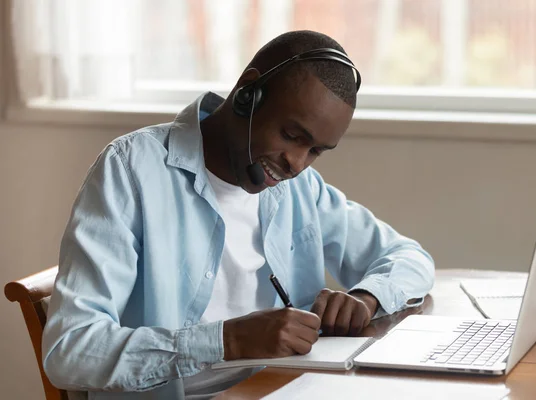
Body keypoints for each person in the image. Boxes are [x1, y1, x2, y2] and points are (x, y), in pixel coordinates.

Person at [42, 30, 434, 399]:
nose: (296, 163)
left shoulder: (301, 188)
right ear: (249, 92)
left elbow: (410, 258)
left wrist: (366, 298)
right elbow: (69, 350)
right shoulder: (131, 170)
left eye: (315, 150)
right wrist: (225, 341)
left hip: (281, 388)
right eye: (292, 136)